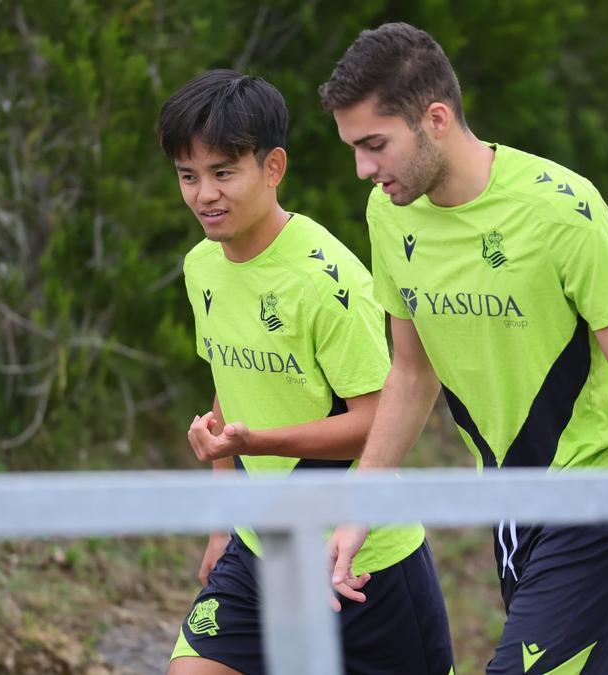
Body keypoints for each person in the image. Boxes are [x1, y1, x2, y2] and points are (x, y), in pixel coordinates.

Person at [318, 22, 608, 673]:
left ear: (435, 119)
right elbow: (410, 371)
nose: (363, 169)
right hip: (510, 506)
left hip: (596, 496)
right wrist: (360, 507)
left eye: (375, 144)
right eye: (353, 148)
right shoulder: (388, 212)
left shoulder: (561, 210)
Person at [158, 69, 454, 675]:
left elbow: (375, 422)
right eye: (189, 176)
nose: (203, 195)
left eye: (222, 173)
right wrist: (223, 522)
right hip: (261, 546)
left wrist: (257, 442)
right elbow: (227, 383)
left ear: (273, 168)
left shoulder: (327, 281)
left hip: (364, 560)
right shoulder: (201, 268)